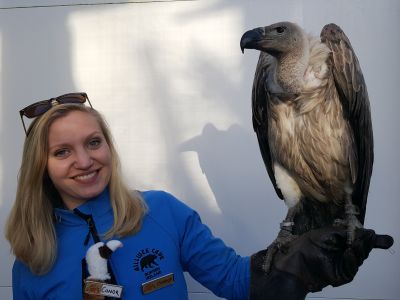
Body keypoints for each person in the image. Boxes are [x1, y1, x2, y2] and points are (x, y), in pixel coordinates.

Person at [5, 92, 393, 300]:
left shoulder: (160, 211)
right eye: (62, 152)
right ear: (41, 166)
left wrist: (304, 264)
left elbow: (236, 280)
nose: (85, 161)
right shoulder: (32, 260)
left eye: (94, 142)